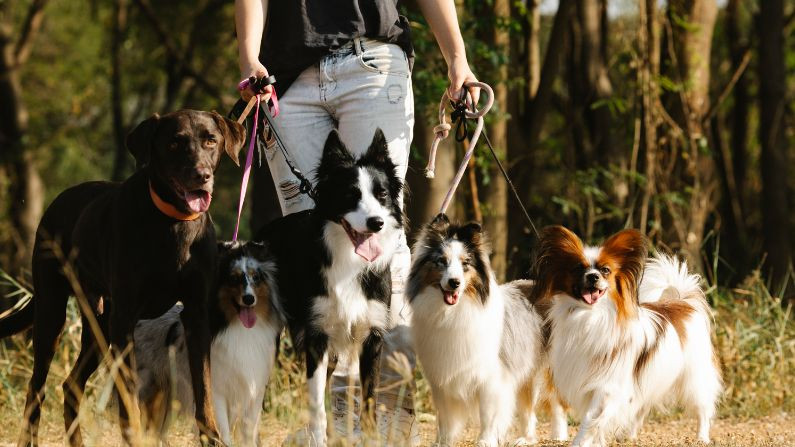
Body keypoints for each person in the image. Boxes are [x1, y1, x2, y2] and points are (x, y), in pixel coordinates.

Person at [235, 1, 479, 444]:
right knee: (313, 252)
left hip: (372, 63)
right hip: (285, 79)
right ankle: (335, 424)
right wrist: (249, 55)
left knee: (384, 243)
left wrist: (457, 59)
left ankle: (388, 414)